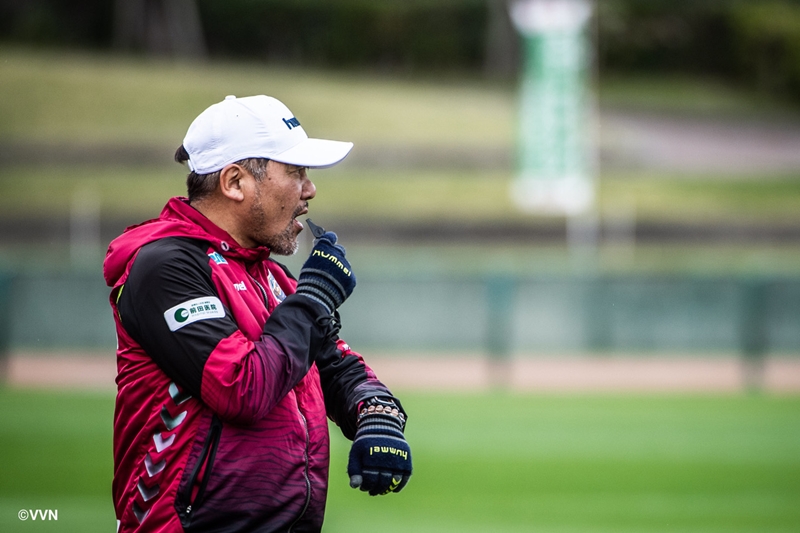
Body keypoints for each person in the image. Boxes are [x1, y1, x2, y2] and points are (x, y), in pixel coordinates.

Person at [103, 94, 412, 533]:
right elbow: (240, 387)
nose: (310, 190)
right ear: (234, 182)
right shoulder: (165, 266)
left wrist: (377, 415)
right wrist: (315, 295)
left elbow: (338, 367)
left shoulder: (273, 276)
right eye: (296, 172)